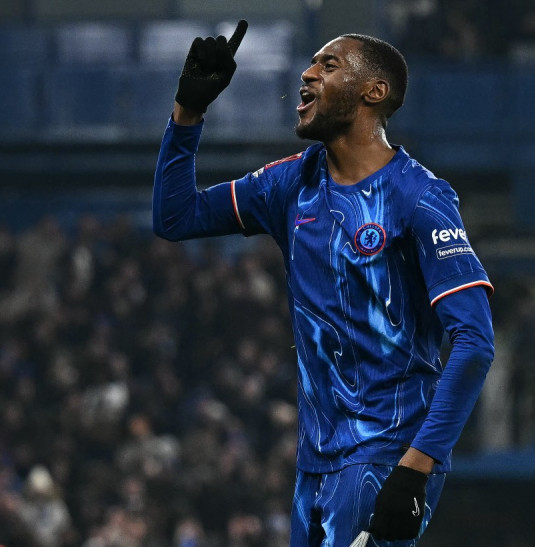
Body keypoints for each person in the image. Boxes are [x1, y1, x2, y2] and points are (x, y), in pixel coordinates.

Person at [153, 20, 495, 546]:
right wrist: (188, 112)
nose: (307, 75)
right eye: (311, 64)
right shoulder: (290, 183)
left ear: (373, 92)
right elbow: (175, 217)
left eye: (328, 65)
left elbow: (473, 343)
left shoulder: (420, 198)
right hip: (314, 463)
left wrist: (415, 468)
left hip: (385, 456)